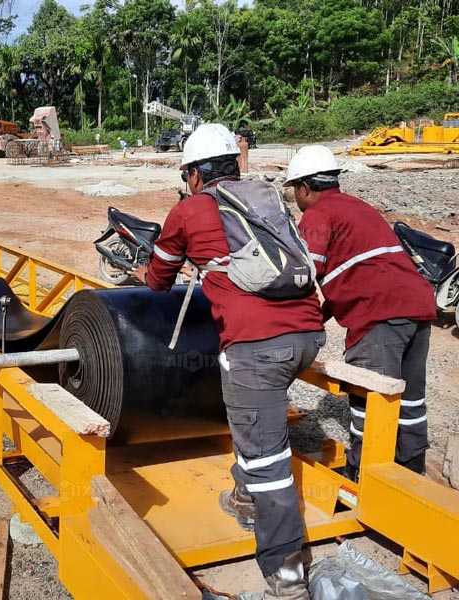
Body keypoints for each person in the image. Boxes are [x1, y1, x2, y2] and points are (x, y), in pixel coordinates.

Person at [133, 123, 325, 600]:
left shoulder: (190, 209)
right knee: (254, 422)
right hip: (308, 335)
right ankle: (243, 497)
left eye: (187, 175)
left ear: (196, 174)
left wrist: (140, 270)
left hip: (257, 345)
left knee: (269, 459)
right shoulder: (265, 197)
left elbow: (159, 279)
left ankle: (286, 569)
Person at [284, 145, 436, 482]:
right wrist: (314, 320)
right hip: (417, 309)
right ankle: (412, 475)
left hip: (379, 315)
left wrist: (286, 324)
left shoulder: (319, 215)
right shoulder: (358, 209)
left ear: (305, 188)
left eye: (295, 189)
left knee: (372, 401)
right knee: (408, 400)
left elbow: (303, 276)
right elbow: (351, 276)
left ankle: (363, 482)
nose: (296, 197)